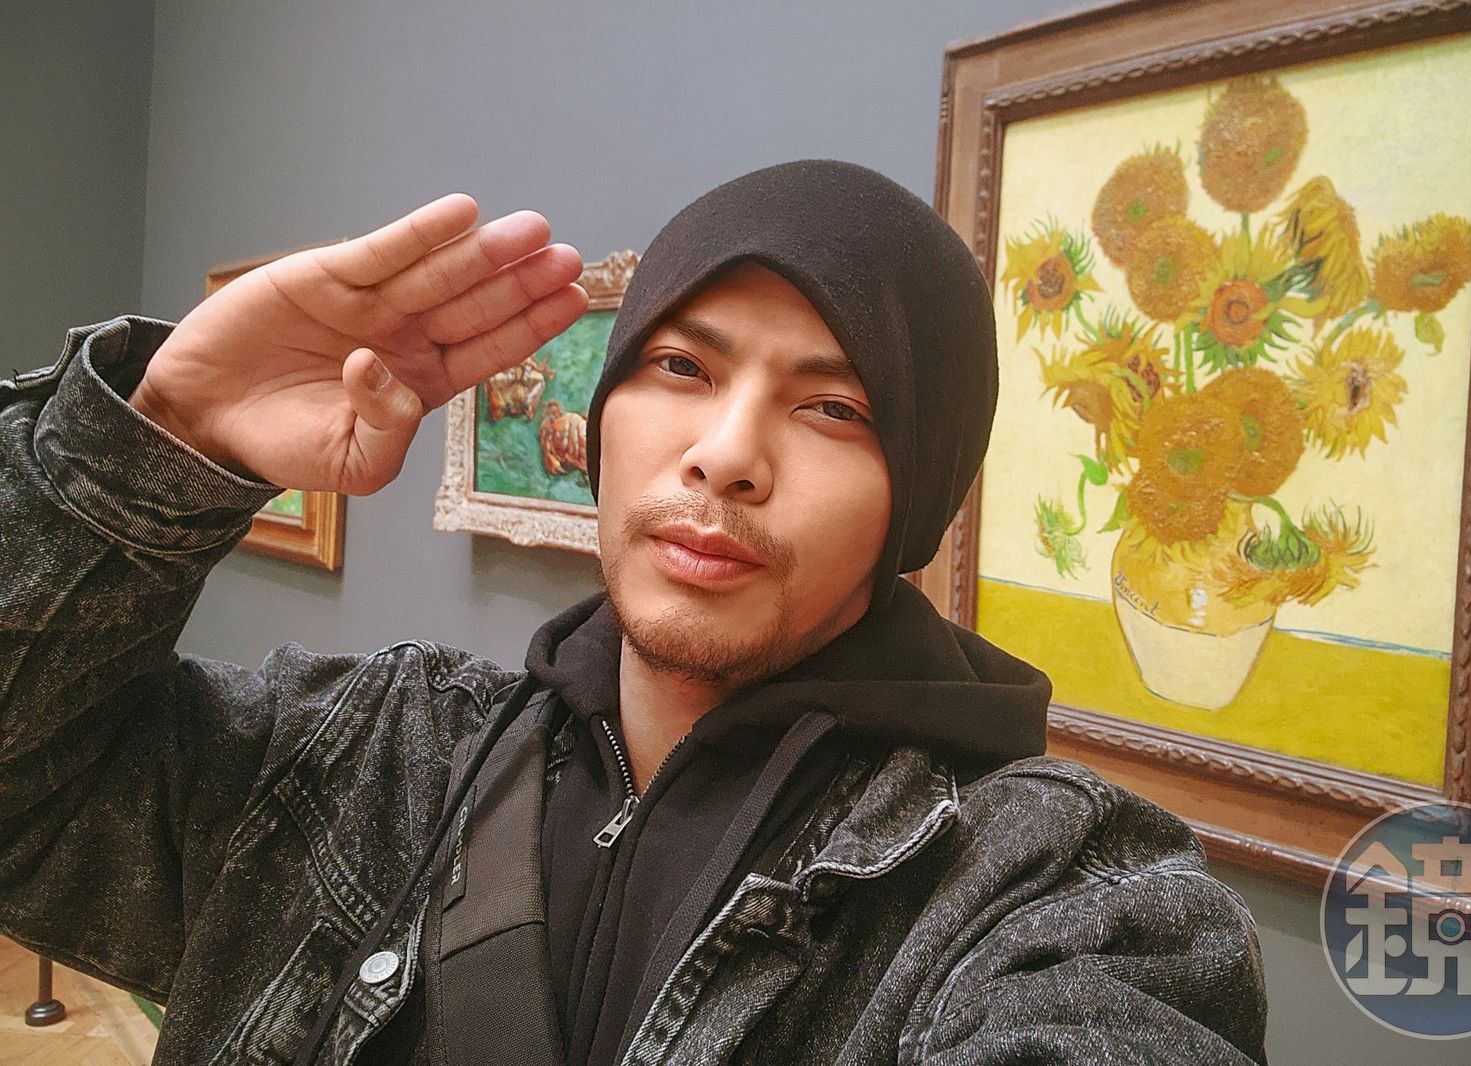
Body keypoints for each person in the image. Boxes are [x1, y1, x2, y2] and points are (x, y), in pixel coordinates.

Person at [0, 160, 1268, 1065]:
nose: (725, 454)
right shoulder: (374, 750)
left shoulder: (1049, 893)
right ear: (602, 419)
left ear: (914, 496)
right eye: (679, 366)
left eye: (834, 407)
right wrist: (164, 441)